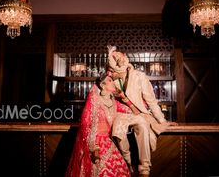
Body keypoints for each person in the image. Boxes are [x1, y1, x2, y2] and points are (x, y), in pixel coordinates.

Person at [106, 45, 178, 177]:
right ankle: (127, 165)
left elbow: (151, 100)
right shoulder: (110, 81)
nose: (108, 73)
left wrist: (162, 120)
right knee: (117, 132)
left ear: (119, 69)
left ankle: (144, 169)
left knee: (143, 126)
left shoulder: (139, 76)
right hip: (119, 115)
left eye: (111, 70)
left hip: (139, 114)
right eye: (108, 70)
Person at [65, 73, 132, 177]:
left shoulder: (114, 103)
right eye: (110, 80)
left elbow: (131, 111)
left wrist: (124, 97)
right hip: (95, 143)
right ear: (102, 85)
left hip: (109, 141)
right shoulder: (95, 101)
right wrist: (94, 147)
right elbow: (87, 124)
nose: (113, 82)